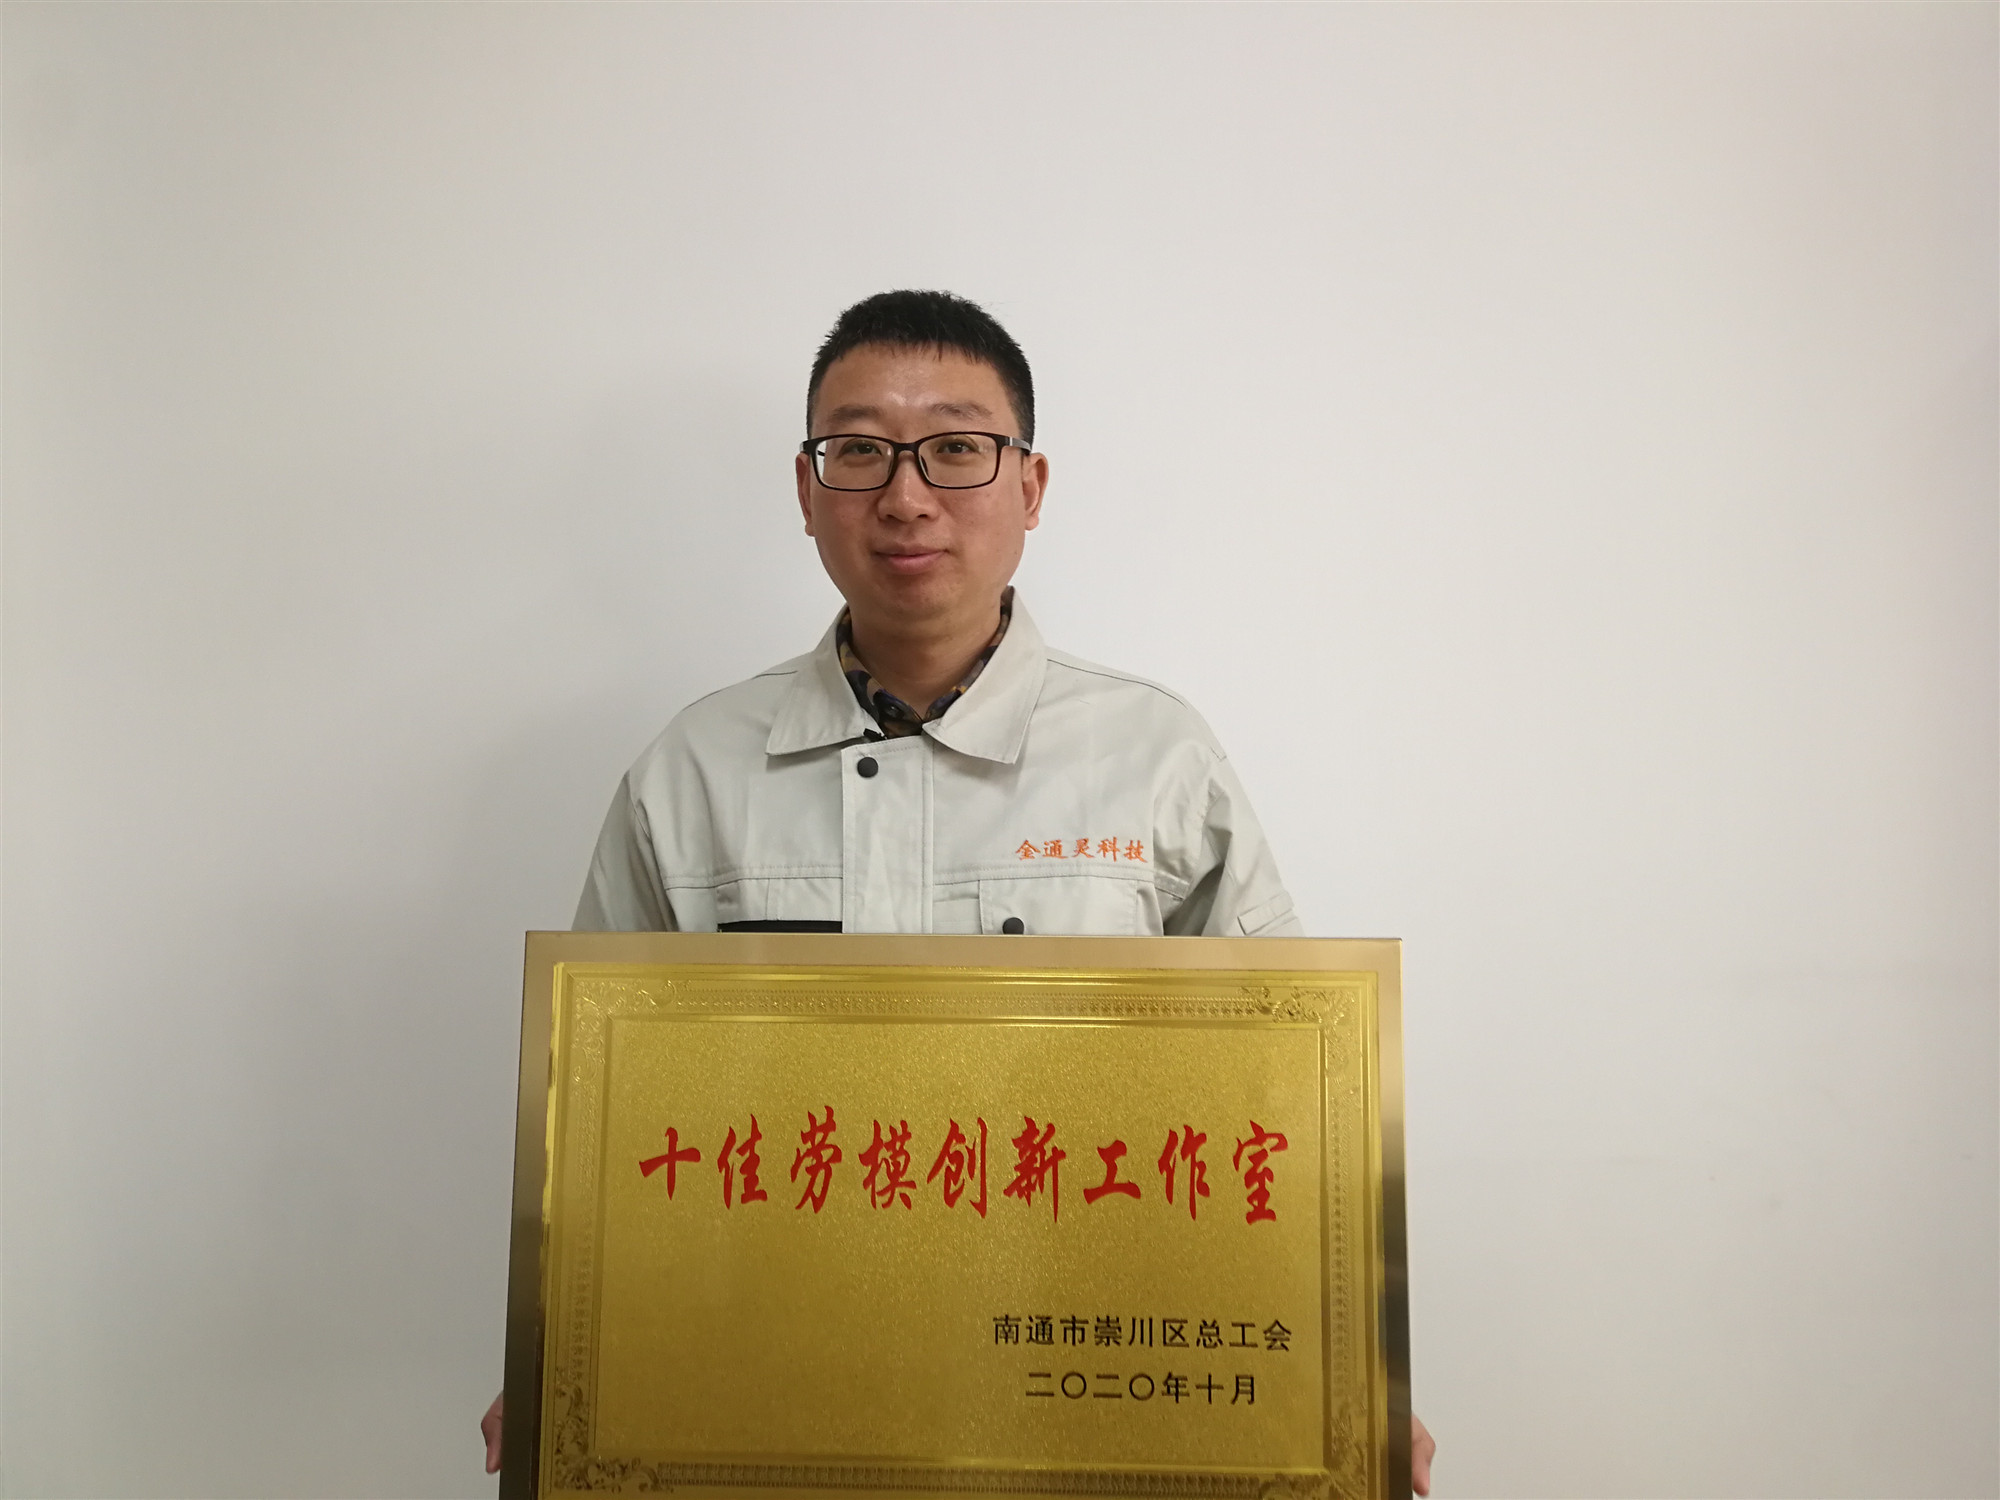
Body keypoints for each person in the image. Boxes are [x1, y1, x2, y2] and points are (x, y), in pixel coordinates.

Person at [480, 290, 1436, 1492]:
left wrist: (1343, 1376)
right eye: (858, 450)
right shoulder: (694, 770)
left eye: (954, 447)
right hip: (772, 1381)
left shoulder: (1152, 758)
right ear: (805, 489)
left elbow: (1286, 1094)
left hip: (1080, 1373)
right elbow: (599, 1123)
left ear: (1028, 485)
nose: (905, 495)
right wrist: (565, 1351)